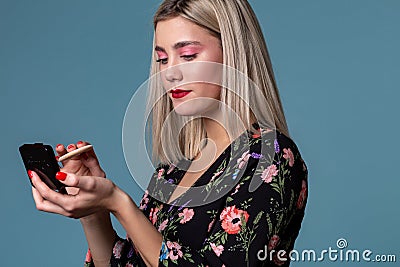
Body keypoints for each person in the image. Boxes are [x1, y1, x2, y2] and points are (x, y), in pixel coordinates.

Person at [28, 0, 308, 266]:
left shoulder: (270, 159)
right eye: (162, 59)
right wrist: (94, 210)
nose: (170, 73)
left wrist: (120, 204)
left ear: (233, 55)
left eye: (187, 55)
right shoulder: (171, 171)